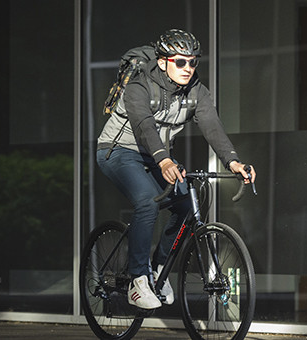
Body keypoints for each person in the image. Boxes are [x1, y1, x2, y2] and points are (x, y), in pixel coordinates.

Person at [96, 29, 256, 309]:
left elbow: (212, 127)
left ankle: (159, 268)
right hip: (118, 150)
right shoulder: (139, 85)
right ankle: (138, 279)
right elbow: (144, 126)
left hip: (158, 157)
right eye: (180, 62)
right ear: (162, 62)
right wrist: (164, 159)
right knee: (146, 201)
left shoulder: (196, 91)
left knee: (186, 205)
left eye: (193, 62)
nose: (188, 68)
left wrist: (233, 162)